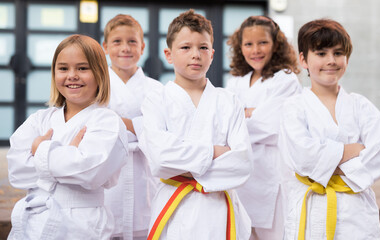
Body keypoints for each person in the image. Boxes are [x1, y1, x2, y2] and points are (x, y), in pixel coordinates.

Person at [138, 9, 252, 240]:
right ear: (168, 54)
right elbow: (160, 158)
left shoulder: (228, 100)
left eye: (203, 47)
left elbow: (242, 163)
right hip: (174, 206)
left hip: (219, 208)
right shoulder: (156, 100)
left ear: (212, 53)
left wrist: (183, 159)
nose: (195, 55)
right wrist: (215, 151)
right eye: (185, 47)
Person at [7, 34, 128, 240]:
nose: (72, 75)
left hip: (82, 226)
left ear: (100, 73)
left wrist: (40, 150)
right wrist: (68, 155)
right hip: (33, 223)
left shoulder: (107, 121)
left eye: (82, 68)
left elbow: (90, 172)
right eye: (63, 68)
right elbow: (16, 171)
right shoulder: (40, 119)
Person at [279, 19, 380, 240]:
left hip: (357, 215)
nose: (331, 61)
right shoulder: (293, 106)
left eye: (338, 53)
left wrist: (325, 164)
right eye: (321, 53)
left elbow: (378, 159)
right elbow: (302, 156)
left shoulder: (363, 107)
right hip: (311, 210)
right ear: (303, 60)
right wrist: (353, 150)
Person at [225, 15, 301, 240]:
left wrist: (240, 116)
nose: (255, 50)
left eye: (263, 42)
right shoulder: (236, 81)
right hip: (240, 177)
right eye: (248, 44)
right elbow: (222, 125)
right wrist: (250, 113)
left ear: (276, 44)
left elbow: (271, 125)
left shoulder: (286, 80)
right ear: (240, 48)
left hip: (271, 176)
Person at [102, 14, 163, 240]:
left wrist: (117, 122)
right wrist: (139, 127)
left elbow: (160, 131)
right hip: (109, 171)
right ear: (105, 47)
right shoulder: (97, 87)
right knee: (108, 225)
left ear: (142, 47)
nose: (125, 48)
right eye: (117, 42)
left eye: (132, 41)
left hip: (144, 172)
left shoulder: (156, 89)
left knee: (145, 227)